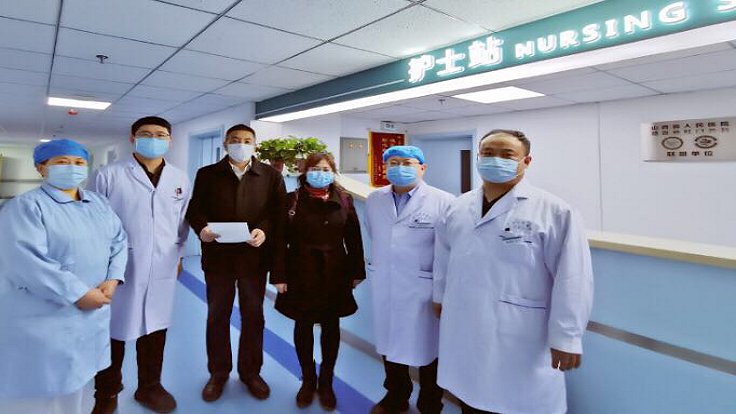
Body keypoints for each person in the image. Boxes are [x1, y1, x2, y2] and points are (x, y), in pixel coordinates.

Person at [432, 129, 594, 414]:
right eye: (488, 153)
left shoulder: (555, 211)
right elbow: (444, 257)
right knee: (470, 395)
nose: (496, 160)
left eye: (507, 154)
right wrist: (439, 296)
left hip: (521, 330)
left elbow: (573, 277)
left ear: (526, 161)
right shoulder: (458, 206)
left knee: (519, 400)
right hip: (464, 320)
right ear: (478, 158)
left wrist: (567, 337)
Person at [0, 139, 128, 414]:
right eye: (61, 162)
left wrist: (113, 278)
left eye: (79, 162)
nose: (72, 167)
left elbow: (119, 241)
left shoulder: (99, 202)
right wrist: (78, 293)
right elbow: (25, 261)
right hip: (45, 316)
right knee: (43, 392)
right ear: (41, 168)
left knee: (80, 383)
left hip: (93, 312)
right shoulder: (26, 207)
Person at [90, 116, 191, 414]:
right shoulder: (108, 174)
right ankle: (107, 390)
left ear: (169, 140)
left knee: (155, 328)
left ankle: (150, 386)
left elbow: (181, 223)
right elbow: (93, 221)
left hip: (163, 263)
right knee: (114, 330)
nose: (153, 139)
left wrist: (178, 256)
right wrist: (100, 264)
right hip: (116, 266)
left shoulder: (179, 178)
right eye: (146, 134)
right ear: (133, 138)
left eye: (160, 134)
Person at [186, 124, 287, 403]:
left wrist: (264, 230)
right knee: (217, 315)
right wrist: (202, 229)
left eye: (246, 140)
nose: (240, 144)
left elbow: (277, 213)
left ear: (255, 145)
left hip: (254, 259)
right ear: (225, 143)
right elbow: (195, 209)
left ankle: (251, 373)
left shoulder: (270, 175)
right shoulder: (207, 174)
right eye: (234, 140)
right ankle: (218, 373)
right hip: (218, 258)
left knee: (253, 316)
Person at [364, 146, 454, 414]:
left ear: (422, 168)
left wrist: (441, 293)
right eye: (393, 162)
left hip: (425, 288)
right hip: (386, 283)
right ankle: (396, 396)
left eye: (407, 162)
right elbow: (375, 234)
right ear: (385, 167)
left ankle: (430, 403)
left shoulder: (444, 201)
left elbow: (449, 250)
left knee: (430, 350)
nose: (399, 167)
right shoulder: (375, 199)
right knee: (389, 344)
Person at [274, 152, 365, 411]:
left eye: (325, 169)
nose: (320, 173)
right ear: (305, 172)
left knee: (330, 327)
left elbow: (354, 239)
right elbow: (279, 240)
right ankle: (307, 380)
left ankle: (326, 381)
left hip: (334, 271)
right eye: (315, 168)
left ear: (333, 172)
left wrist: (356, 272)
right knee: (303, 325)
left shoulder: (344, 200)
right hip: (300, 270)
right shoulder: (292, 199)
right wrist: (279, 275)